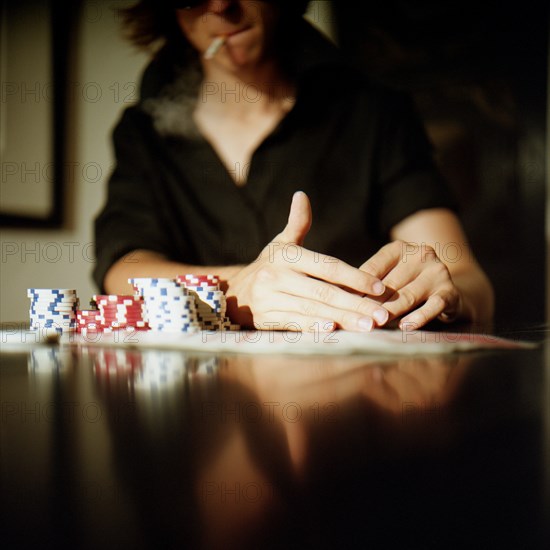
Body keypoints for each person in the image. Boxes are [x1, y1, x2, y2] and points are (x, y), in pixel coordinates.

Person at [93, 0, 494, 333]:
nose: (220, 5)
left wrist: (447, 294)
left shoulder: (373, 112)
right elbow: (123, 271)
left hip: (361, 403)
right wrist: (237, 289)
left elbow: (468, 280)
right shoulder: (144, 133)